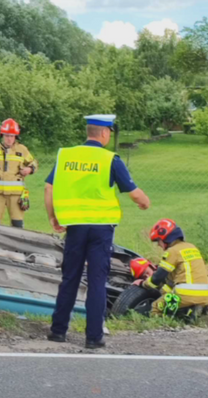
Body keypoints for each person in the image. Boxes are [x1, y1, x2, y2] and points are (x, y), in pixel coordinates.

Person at [45, 114, 150, 349]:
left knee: (70, 278)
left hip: (74, 227)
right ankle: (93, 337)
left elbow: (48, 187)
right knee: (96, 281)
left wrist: (53, 216)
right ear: (104, 133)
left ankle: (58, 331)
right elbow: (133, 192)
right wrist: (144, 202)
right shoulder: (109, 159)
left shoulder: (66, 156)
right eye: (109, 133)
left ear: (88, 131)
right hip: (100, 230)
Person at [141, 219, 208, 316]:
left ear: (165, 238)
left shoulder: (172, 252)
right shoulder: (191, 247)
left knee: (156, 307)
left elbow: (157, 278)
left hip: (185, 294)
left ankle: (183, 313)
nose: (158, 245)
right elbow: (172, 281)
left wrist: (143, 284)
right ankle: (191, 312)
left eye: (158, 241)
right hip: (204, 294)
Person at [0, 118, 37, 228]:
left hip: (16, 194)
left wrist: (29, 169)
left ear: (15, 137)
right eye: (7, 135)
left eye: (12, 136)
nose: (9, 139)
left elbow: (33, 163)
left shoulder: (22, 150)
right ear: (2, 135)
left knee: (17, 224)